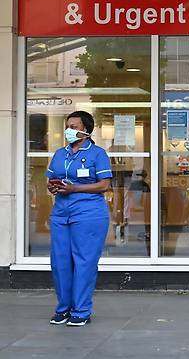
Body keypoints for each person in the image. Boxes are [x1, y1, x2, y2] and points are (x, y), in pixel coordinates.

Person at [46, 111, 113, 327]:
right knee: (60, 262)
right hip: (61, 213)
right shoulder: (59, 154)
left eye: (74, 126)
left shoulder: (97, 154)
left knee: (84, 262)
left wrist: (75, 188)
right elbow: (50, 178)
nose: (69, 130)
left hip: (88, 214)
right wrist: (53, 186)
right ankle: (63, 308)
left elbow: (104, 185)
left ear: (85, 130)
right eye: (68, 126)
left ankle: (81, 310)